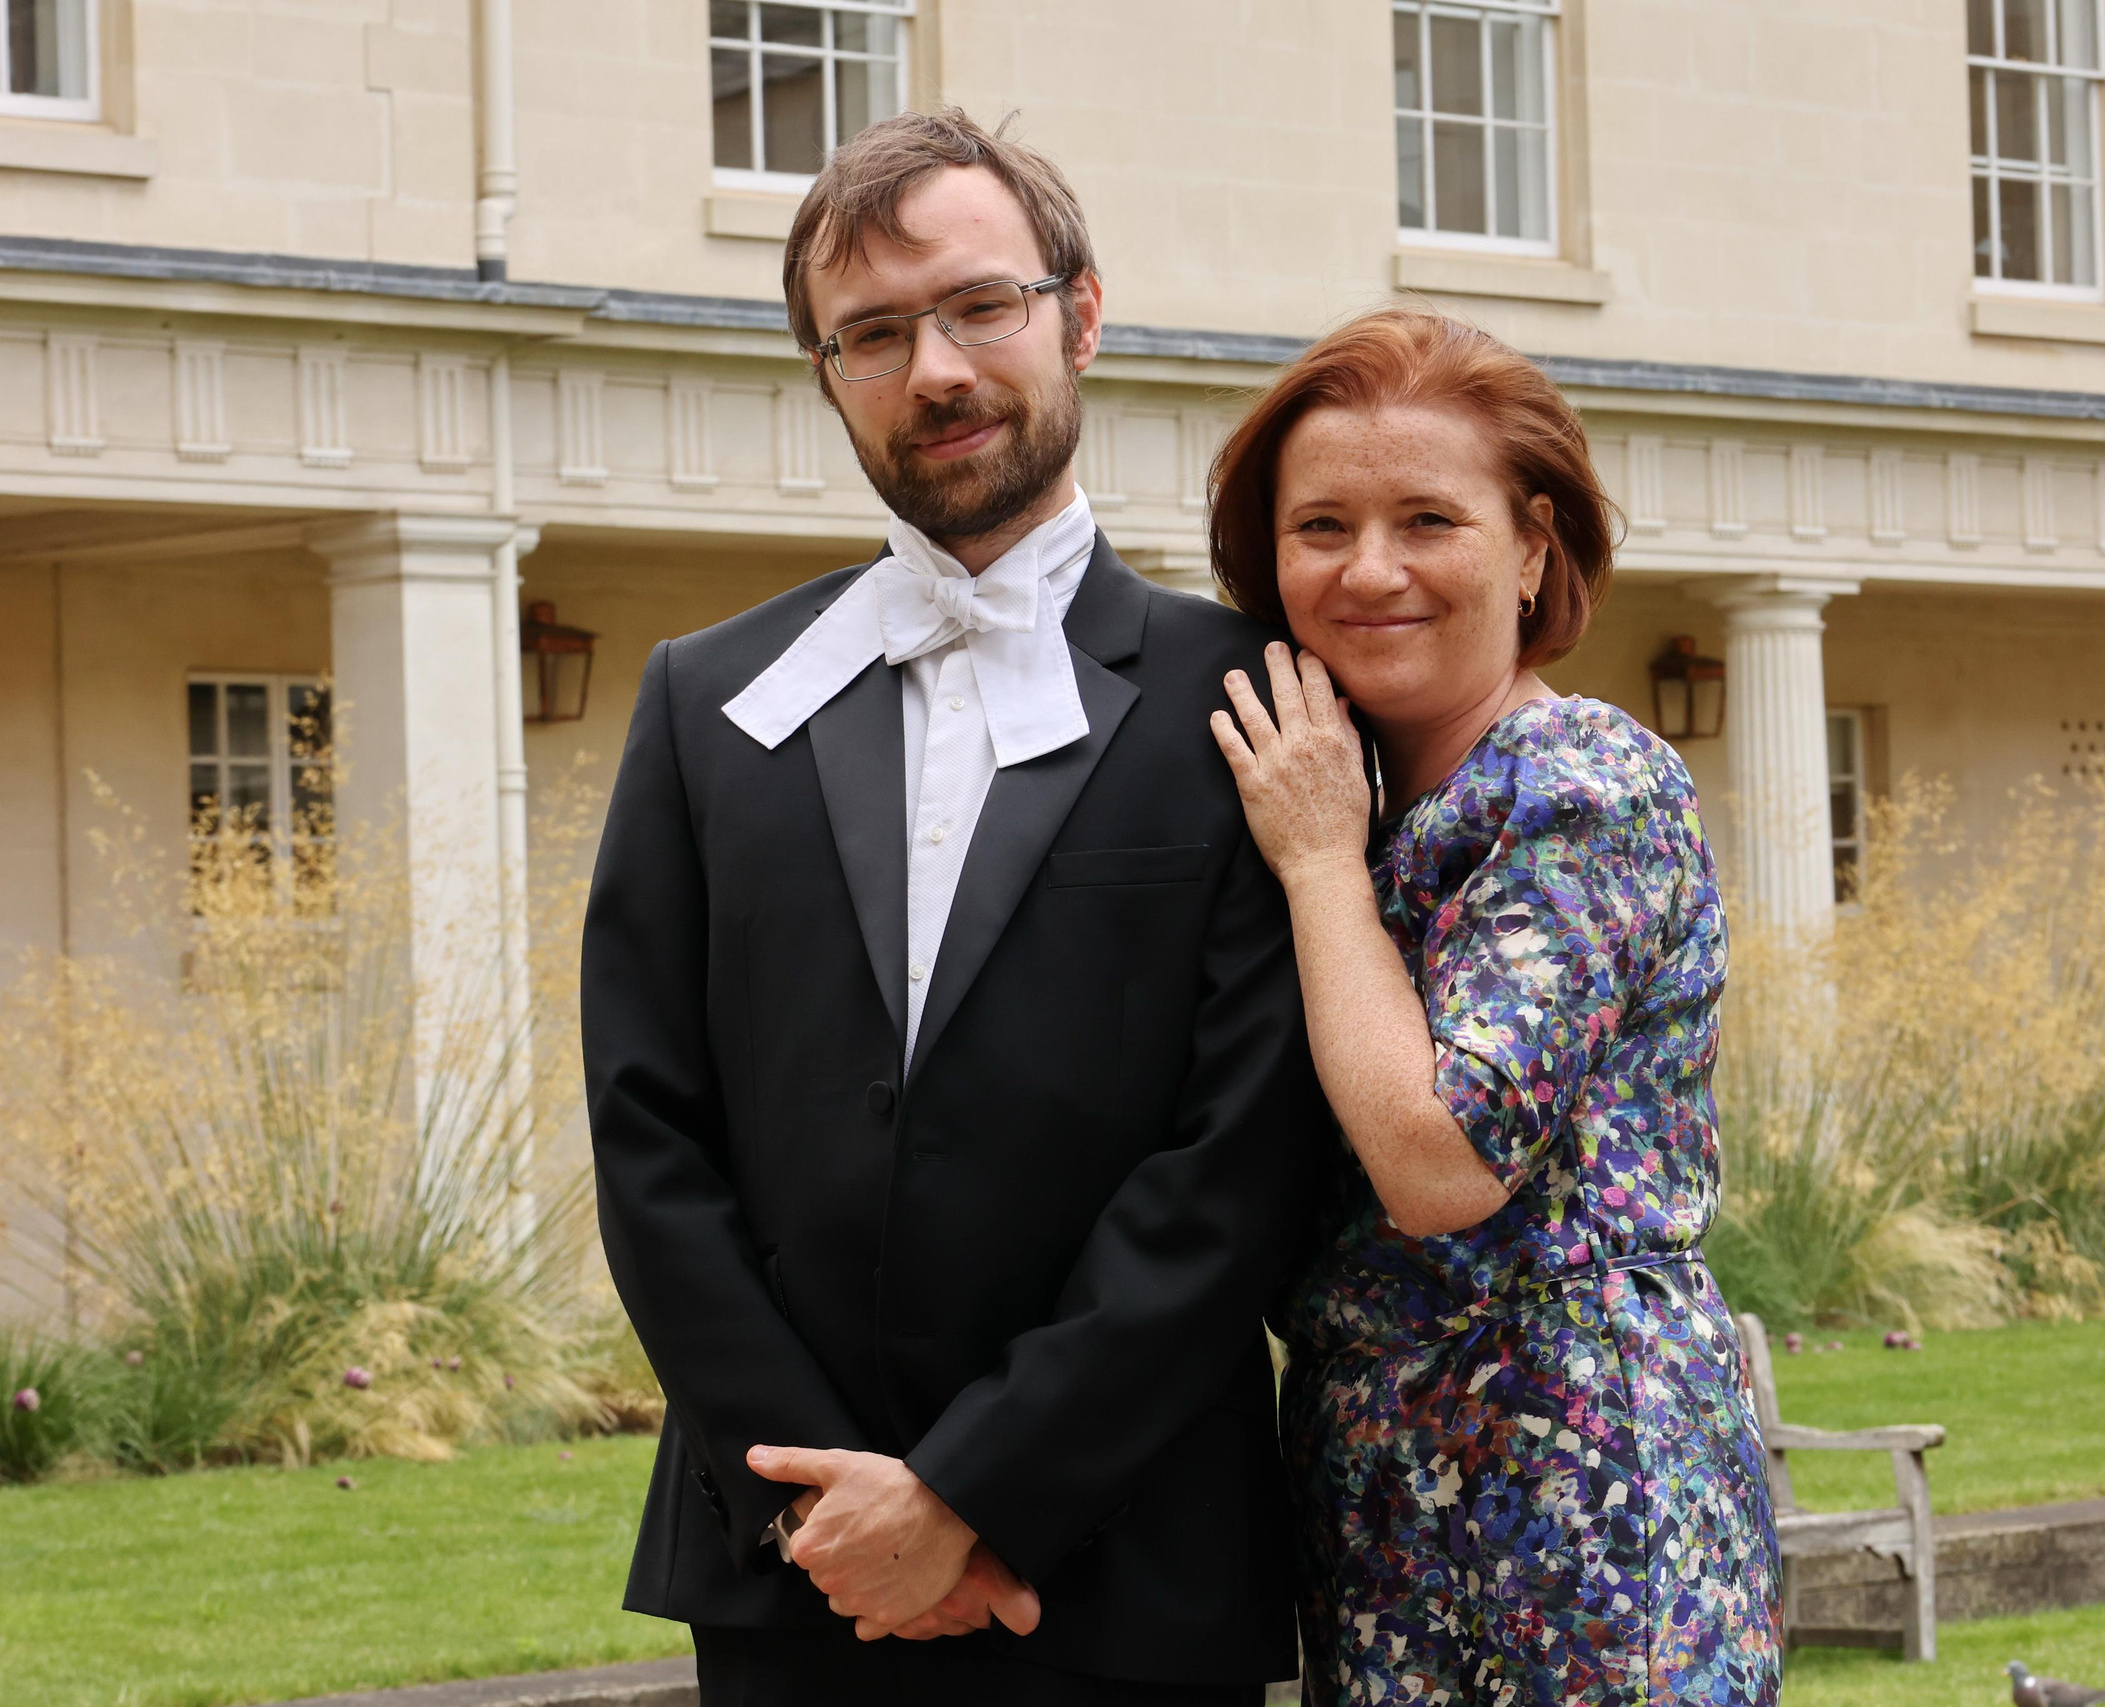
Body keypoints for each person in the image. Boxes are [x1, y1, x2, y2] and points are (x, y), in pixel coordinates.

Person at [581, 110, 1323, 1707]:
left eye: (982, 306)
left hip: (1126, 1570)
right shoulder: (706, 703)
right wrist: (834, 1510)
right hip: (797, 1577)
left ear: (1082, 314)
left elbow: (1242, 1154)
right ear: (824, 372)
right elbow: (648, 1136)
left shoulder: (1255, 698)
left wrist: (978, 1494)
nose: (936, 370)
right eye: (872, 334)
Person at [1204, 307, 1784, 1706]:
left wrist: (1320, 860)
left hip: (1580, 1481)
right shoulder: (1362, 797)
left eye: (1427, 521)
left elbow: (1438, 1160)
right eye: (1322, 526)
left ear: (1530, 548)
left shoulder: (1578, 786)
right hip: (1378, 1479)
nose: (1371, 570)